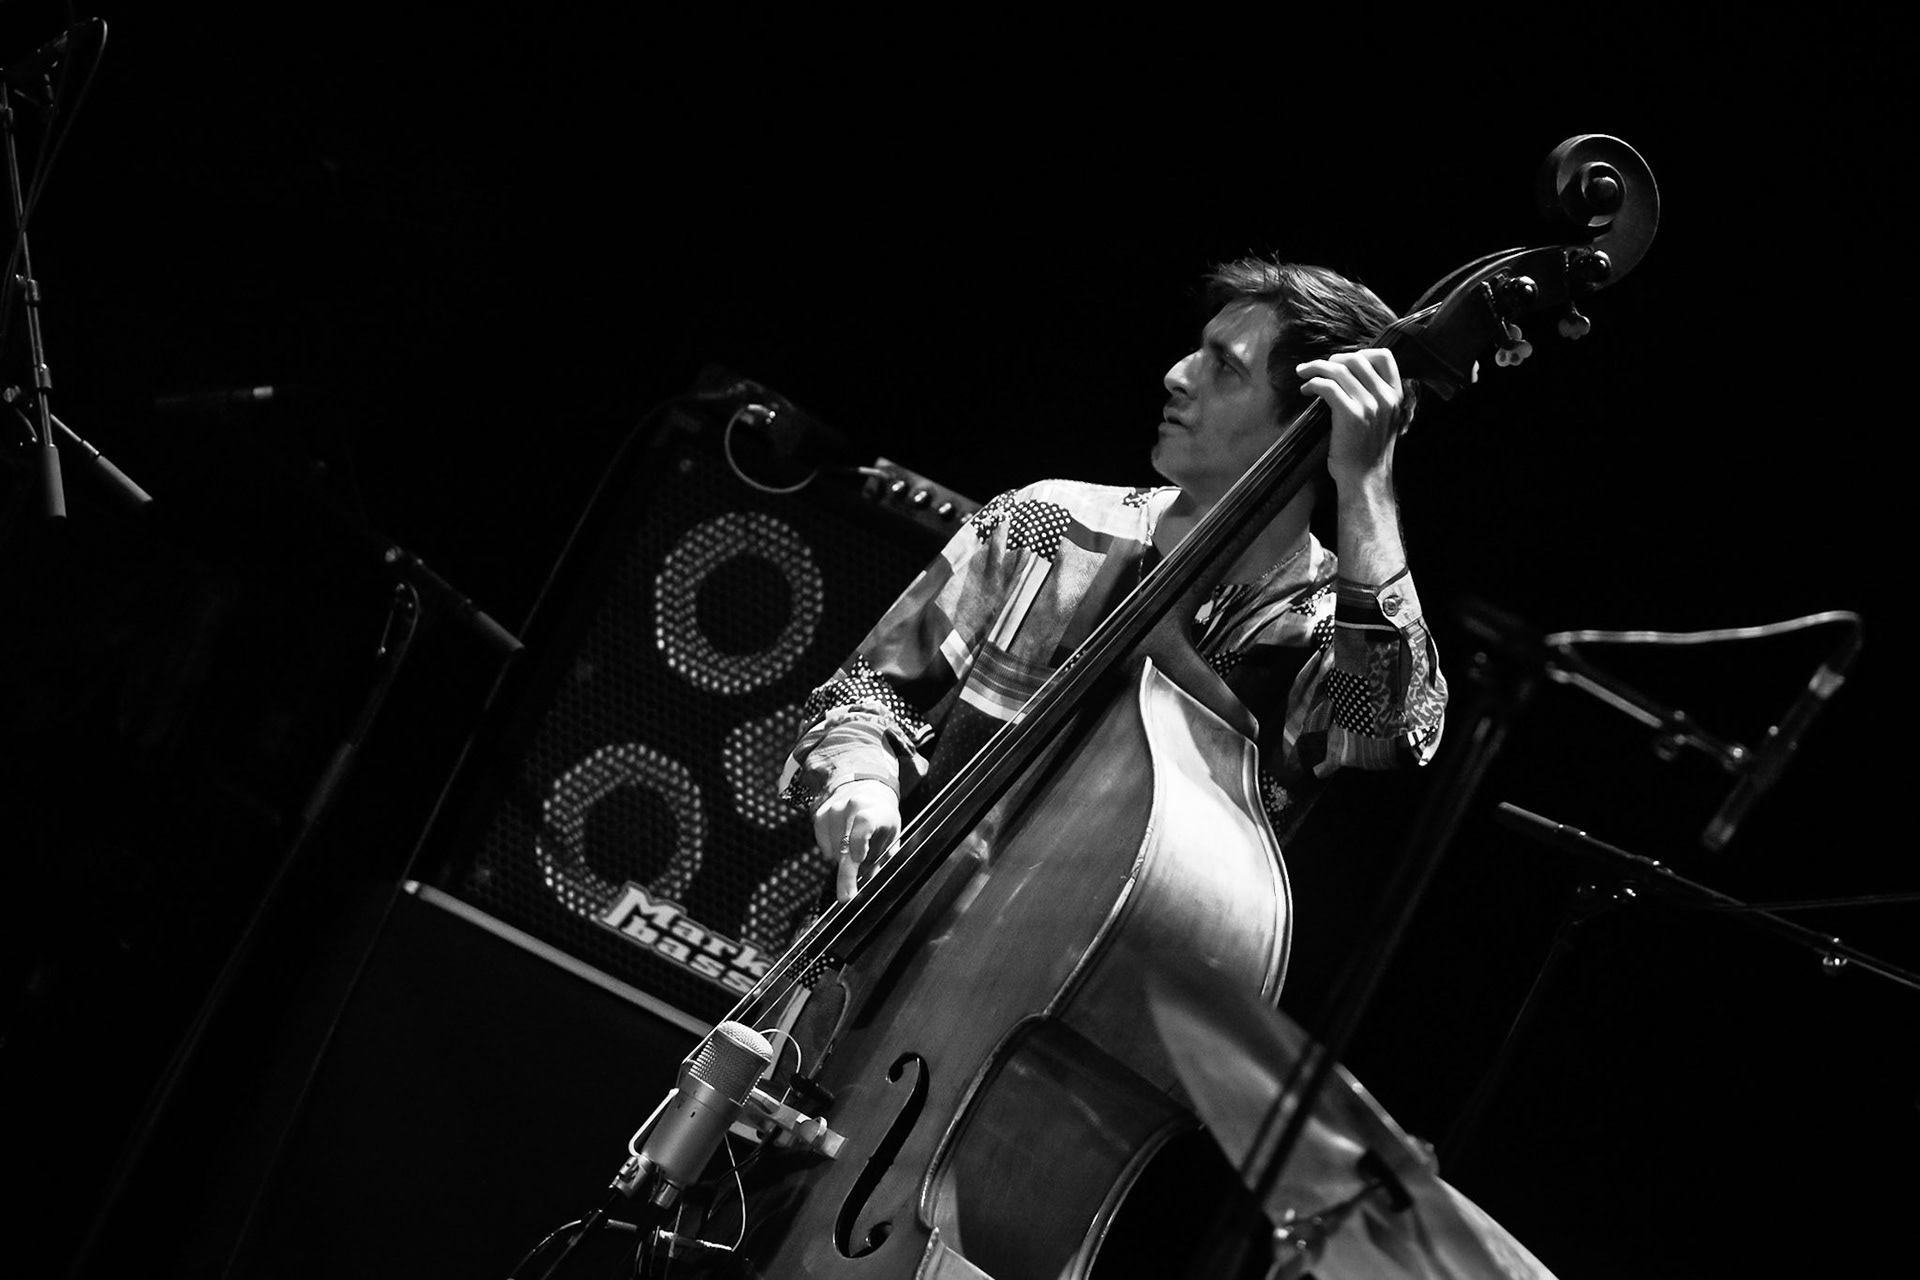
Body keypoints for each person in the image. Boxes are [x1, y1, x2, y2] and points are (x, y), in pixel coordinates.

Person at [778, 256, 1447, 910]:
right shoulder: (1046, 524)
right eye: (1197, 351)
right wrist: (860, 778)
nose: (1178, 376)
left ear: (1310, 422)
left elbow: (1389, 731)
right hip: (871, 947)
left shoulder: (1324, 627)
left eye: (1225, 367)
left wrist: (1366, 482)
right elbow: (866, 694)